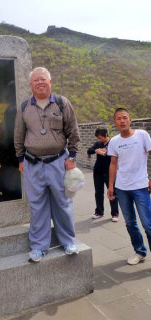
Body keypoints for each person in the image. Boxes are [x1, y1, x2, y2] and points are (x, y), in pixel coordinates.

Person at [14, 67, 80, 262]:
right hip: (32, 163)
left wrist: (72, 157)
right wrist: (20, 159)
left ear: (50, 82)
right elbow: (18, 135)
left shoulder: (61, 103)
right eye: (36, 80)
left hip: (58, 161)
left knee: (63, 203)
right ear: (31, 84)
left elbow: (73, 131)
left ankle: (68, 241)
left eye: (43, 79)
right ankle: (39, 247)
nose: (40, 83)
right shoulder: (24, 106)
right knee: (37, 206)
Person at [107, 108, 151, 265]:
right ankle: (139, 252)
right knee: (130, 223)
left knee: (148, 223)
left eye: (125, 117)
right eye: (118, 118)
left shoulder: (142, 135)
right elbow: (113, 164)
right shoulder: (114, 141)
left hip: (140, 186)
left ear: (130, 120)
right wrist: (111, 186)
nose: (122, 121)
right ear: (115, 123)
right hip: (122, 188)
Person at [87, 128, 119, 222]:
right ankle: (99, 212)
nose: (100, 139)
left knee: (112, 192)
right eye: (98, 138)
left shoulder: (112, 143)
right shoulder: (98, 144)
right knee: (98, 192)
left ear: (106, 134)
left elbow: (113, 156)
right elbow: (89, 151)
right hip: (98, 172)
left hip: (109, 172)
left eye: (101, 137)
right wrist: (97, 150)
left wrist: (104, 153)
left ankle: (115, 214)